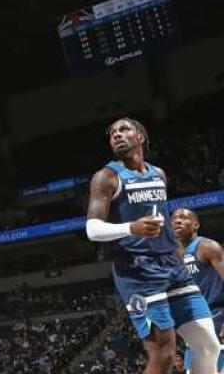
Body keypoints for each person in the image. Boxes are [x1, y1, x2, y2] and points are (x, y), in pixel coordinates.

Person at [85, 118, 220, 374]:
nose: (117, 134)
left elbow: (164, 225)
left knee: (208, 344)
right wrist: (130, 228)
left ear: (141, 137)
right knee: (165, 354)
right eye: (112, 132)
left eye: (124, 129)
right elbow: (92, 229)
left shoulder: (158, 174)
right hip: (138, 272)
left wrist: (179, 259)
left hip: (171, 265)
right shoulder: (106, 177)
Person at [172, 208, 224, 373]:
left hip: (216, 315)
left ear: (196, 225)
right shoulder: (172, 255)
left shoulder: (207, 247)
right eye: (174, 218)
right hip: (193, 320)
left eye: (183, 218)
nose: (178, 221)